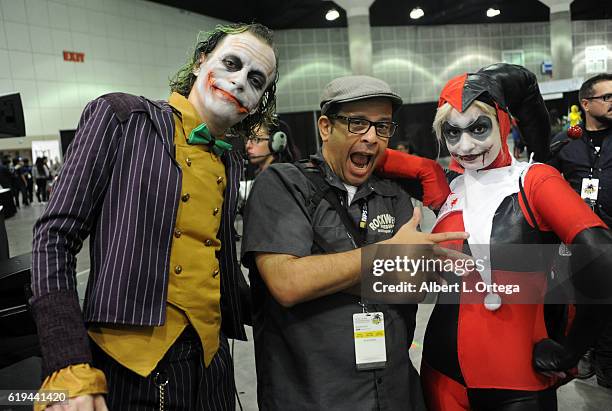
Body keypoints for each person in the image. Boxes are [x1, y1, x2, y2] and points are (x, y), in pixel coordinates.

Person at [30, 22, 278, 410]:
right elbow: (54, 238)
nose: (240, 81)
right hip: (133, 368)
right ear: (200, 63)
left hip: (212, 368)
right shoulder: (122, 118)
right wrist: (67, 362)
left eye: (256, 79)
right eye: (231, 63)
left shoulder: (228, 159)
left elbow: (215, 264)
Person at [381, 64, 612, 410]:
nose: (467, 145)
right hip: (440, 375)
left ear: (502, 123)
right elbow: (369, 154)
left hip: (516, 380)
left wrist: (572, 347)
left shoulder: (534, 181)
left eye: (478, 127)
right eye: (452, 133)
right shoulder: (445, 185)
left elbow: (602, 258)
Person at [241, 75, 468, 411]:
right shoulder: (283, 185)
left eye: (382, 126)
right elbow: (288, 283)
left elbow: (415, 285)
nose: (372, 137)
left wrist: (326, 272)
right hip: (316, 395)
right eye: (358, 123)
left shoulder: (392, 192)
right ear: (325, 127)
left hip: (395, 392)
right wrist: (386, 256)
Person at [548, 73, 612, 388]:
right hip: (578, 242)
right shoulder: (565, 142)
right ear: (585, 103)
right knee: (585, 302)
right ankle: (585, 352)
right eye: (607, 97)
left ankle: (607, 367)